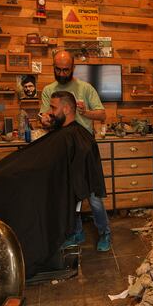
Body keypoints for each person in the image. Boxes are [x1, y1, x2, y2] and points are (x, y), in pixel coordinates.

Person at [0, 90, 107, 277]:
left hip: (38, 179)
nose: (50, 112)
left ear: (67, 108)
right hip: (39, 175)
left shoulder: (76, 136)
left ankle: (104, 233)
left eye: (53, 108)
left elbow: (64, 170)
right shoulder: (65, 133)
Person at [39, 51, 111, 251]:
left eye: (66, 69)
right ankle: (77, 232)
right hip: (62, 148)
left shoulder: (85, 88)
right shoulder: (48, 90)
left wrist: (84, 112)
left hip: (84, 148)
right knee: (72, 196)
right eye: (57, 69)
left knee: (94, 198)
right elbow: (46, 115)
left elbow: (102, 114)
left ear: (73, 68)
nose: (61, 73)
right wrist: (44, 119)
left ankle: (105, 232)